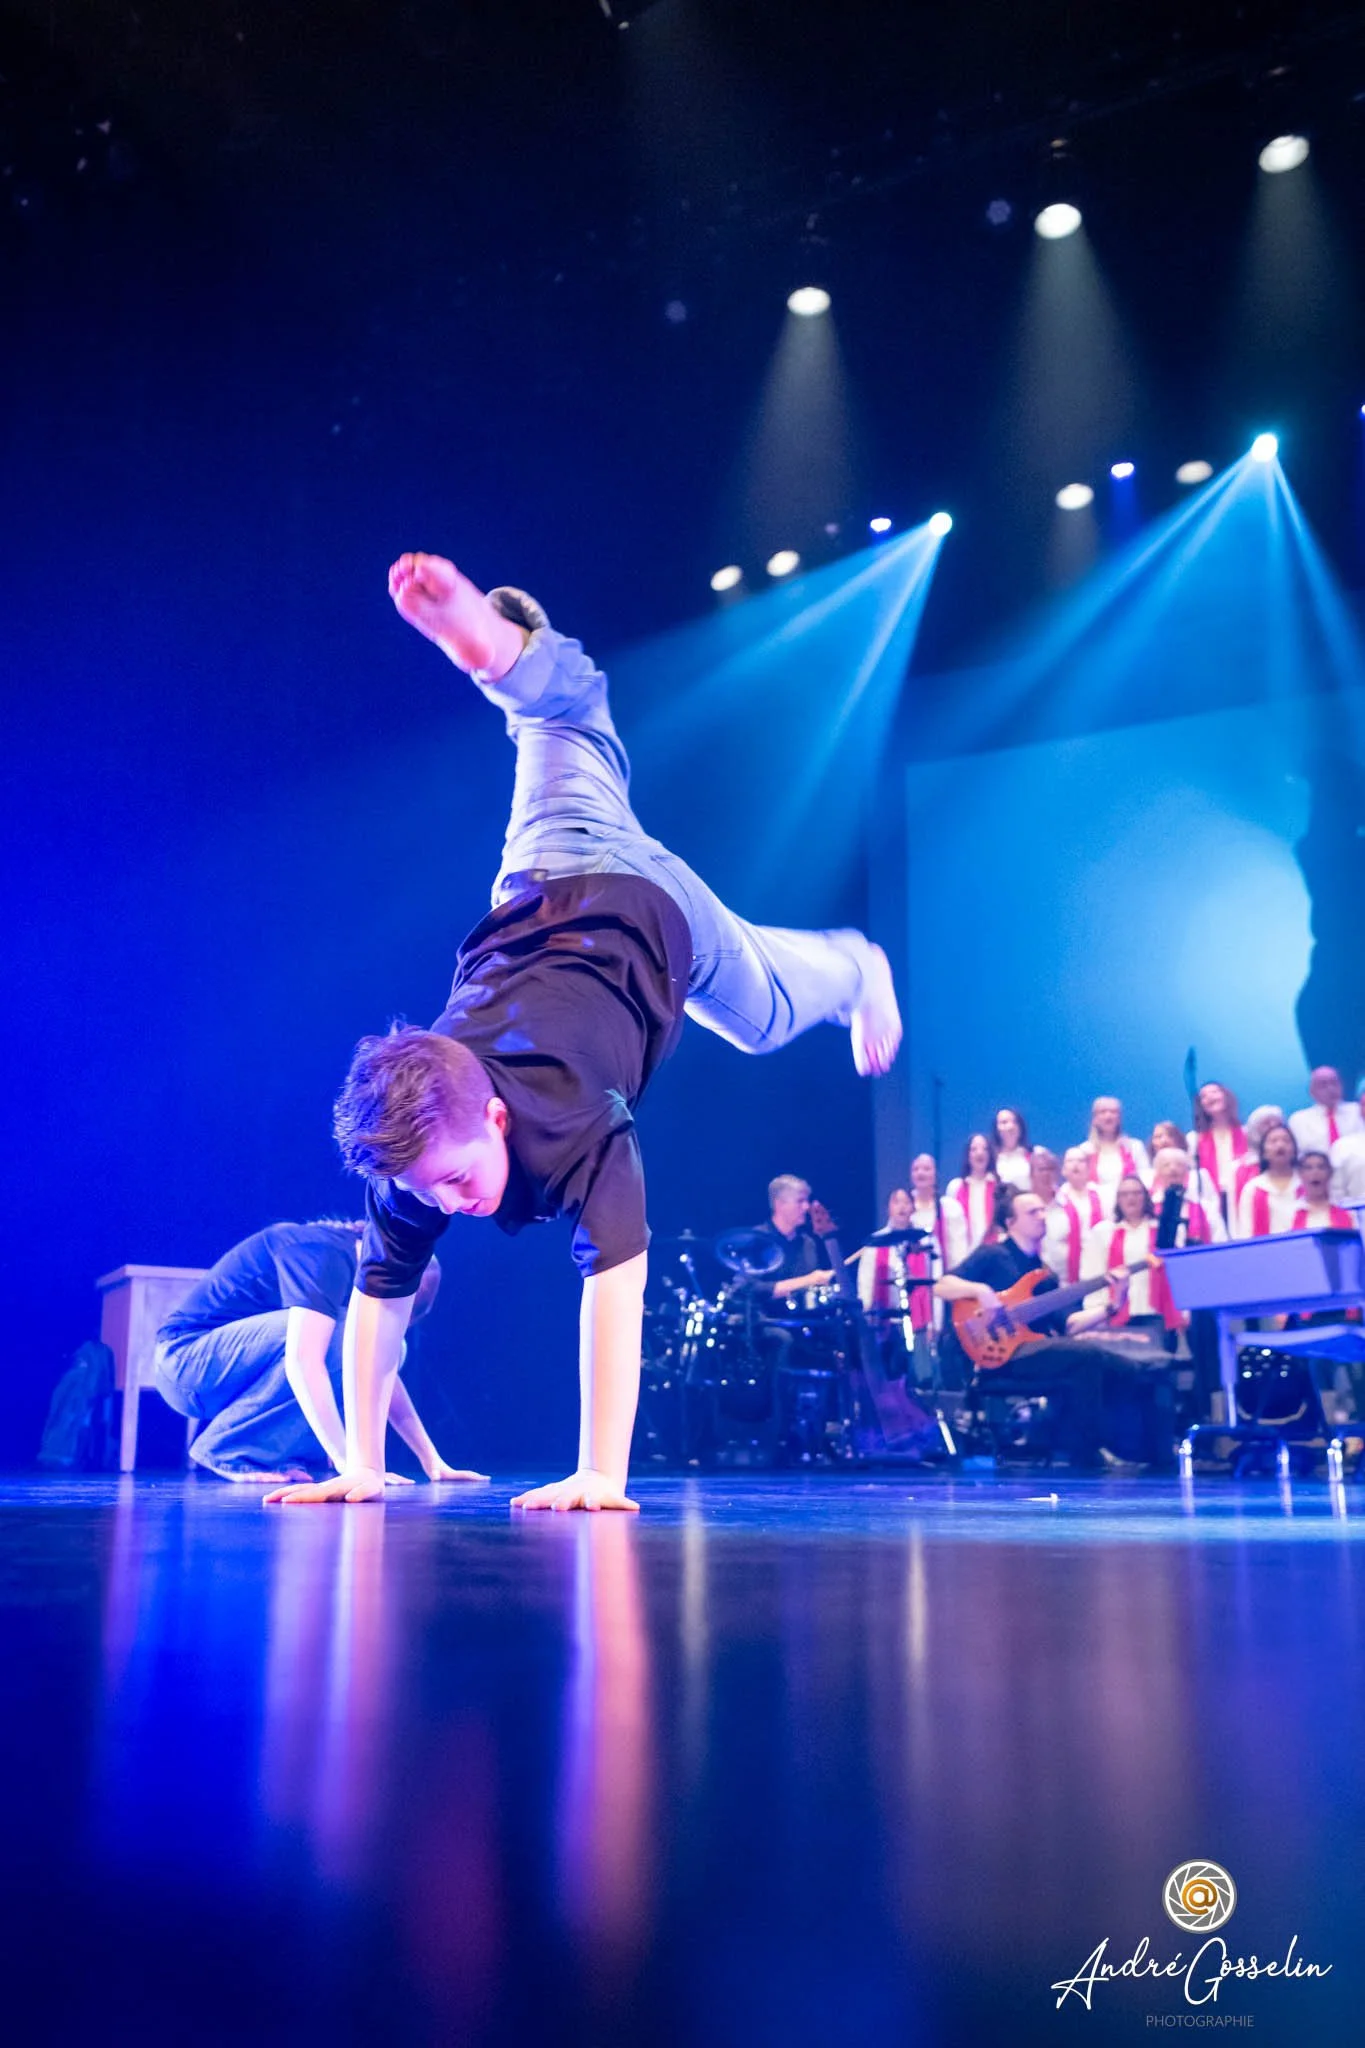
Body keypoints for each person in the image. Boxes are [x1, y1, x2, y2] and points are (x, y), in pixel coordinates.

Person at [267, 556, 900, 1512]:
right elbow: (377, 1304)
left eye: (455, 1177)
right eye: (431, 1188)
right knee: (559, 719)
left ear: (492, 1111)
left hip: (645, 910)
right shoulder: (417, 1153)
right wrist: (362, 1460)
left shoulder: (580, 1126)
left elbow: (614, 1292)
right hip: (543, 872)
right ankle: (499, 652)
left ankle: (858, 965)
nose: (450, 1200)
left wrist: (599, 1473)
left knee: (764, 1020)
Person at [155, 1222, 476, 1485]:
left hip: (228, 1377)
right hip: (186, 1366)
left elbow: (384, 1375)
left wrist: (431, 1460)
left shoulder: (346, 1268)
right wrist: (351, 1464)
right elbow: (302, 1360)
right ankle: (229, 1447)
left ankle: (278, 1452)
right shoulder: (323, 1254)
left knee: (382, 1346)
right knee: (342, 1336)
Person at [933, 1188, 1133, 1471]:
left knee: (1098, 1366)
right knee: (1088, 1357)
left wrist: (1113, 1305)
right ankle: (1086, 1454)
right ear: (1011, 1221)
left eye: (1043, 1210)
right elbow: (942, 1286)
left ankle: (1085, 1454)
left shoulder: (1045, 1275)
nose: (1042, 1216)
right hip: (996, 1357)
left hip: (1029, 1352)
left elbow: (1069, 1324)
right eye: (1032, 1212)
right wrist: (980, 1290)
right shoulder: (991, 1254)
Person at [1081, 1175, 1184, 1349]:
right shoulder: (1103, 1231)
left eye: (1136, 1193)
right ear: (1118, 1200)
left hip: (1156, 1312)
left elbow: (1179, 1273)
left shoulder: (1163, 1230)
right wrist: (1095, 1311)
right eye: (1125, 1194)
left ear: (1145, 1197)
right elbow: (1093, 1273)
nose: (1131, 1198)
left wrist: (1182, 1309)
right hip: (1118, 1315)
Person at [754, 1175, 840, 1303]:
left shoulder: (808, 1244)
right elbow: (749, 1289)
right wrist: (809, 1280)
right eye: (800, 1201)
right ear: (780, 1204)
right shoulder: (758, 1239)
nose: (806, 1207)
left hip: (803, 1320)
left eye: (807, 1201)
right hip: (764, 1320)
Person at [1185, 1084, 1254, 1224]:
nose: (1210, 1097)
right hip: (1212, 1199)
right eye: (1204, 1096)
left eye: (1215, 1092)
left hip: (1243, 1196)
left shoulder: (1247, 1133)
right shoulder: (1195, 1139)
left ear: (1226, 1096)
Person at [1235, 1122, 1303, 1239]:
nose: (1280, 1145)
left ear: (1294, 1150)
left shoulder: (1305, 1184)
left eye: (1286, 1141)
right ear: (1264, 1152)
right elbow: (1245, 1232)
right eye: (1273, 1141)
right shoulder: (1253, 1188)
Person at [1148, 1147, 1223, 1247]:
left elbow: (1220, 1241)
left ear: (1187, 1172)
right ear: (1157, 1173)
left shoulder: (1205, 1207)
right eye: (1166, 1165)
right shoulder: (1149, 1208)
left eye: (1179, 1165)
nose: (1173, 1168)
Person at [944, 1132, 998, 1264]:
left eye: (984, 1149)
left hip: (993, 1254)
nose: (980, 1153)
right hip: (964, 1256)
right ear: (968, 1155)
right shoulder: (956, 1187)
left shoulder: (999, 1186)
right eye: (974, 1149)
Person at [1288, 1066, 1363, 1159]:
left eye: (1334, 1083)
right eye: (1323, 1085)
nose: (1331, 1089)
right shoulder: (1299, 1120)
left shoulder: (1358, 1111)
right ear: (1312, 1091)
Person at [1056, 1145, 1106, 1283]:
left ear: (1089, 1167)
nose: (1076, 1164)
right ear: (1063, 1169)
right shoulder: (1057, 1199)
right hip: (1067, 1266)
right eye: (1070, 1161)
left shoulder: (1103, 1195)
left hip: (1099, 1259)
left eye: (1081, 1160)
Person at [1083, 1097, 1149, 1195]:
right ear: (1094, 1119)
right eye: (1103, 1112)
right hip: (1097, 1206)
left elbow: (1146, 1179)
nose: (1108, 1116)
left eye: (1114, 1112)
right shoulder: (1085, 1150)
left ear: (1120, 1118)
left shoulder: (1135, 1147)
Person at [1030, 1146, 1073, 1282]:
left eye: (1051, 1169)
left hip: (1066, 1286)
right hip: (1031, 1287)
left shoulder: (1070, 1207)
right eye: (1041, 1169)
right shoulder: (1023, 1209)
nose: (1046, 1174)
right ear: (1031, 1174)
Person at [1290, 1151, 1355, 1233]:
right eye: (1309, 1168)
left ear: (1330, 1173)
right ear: (1300, 1174)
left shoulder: (1348, 1211)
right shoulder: (1290, 1213)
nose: (1315, 1172)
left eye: (1321, 1167)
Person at [992, 1107, 1033, 1191]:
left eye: (1014, 1122)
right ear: (996, 1129)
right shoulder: (991, 1160)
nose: (1010, 1127)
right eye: (1004, 1122)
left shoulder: (1034, 1154)